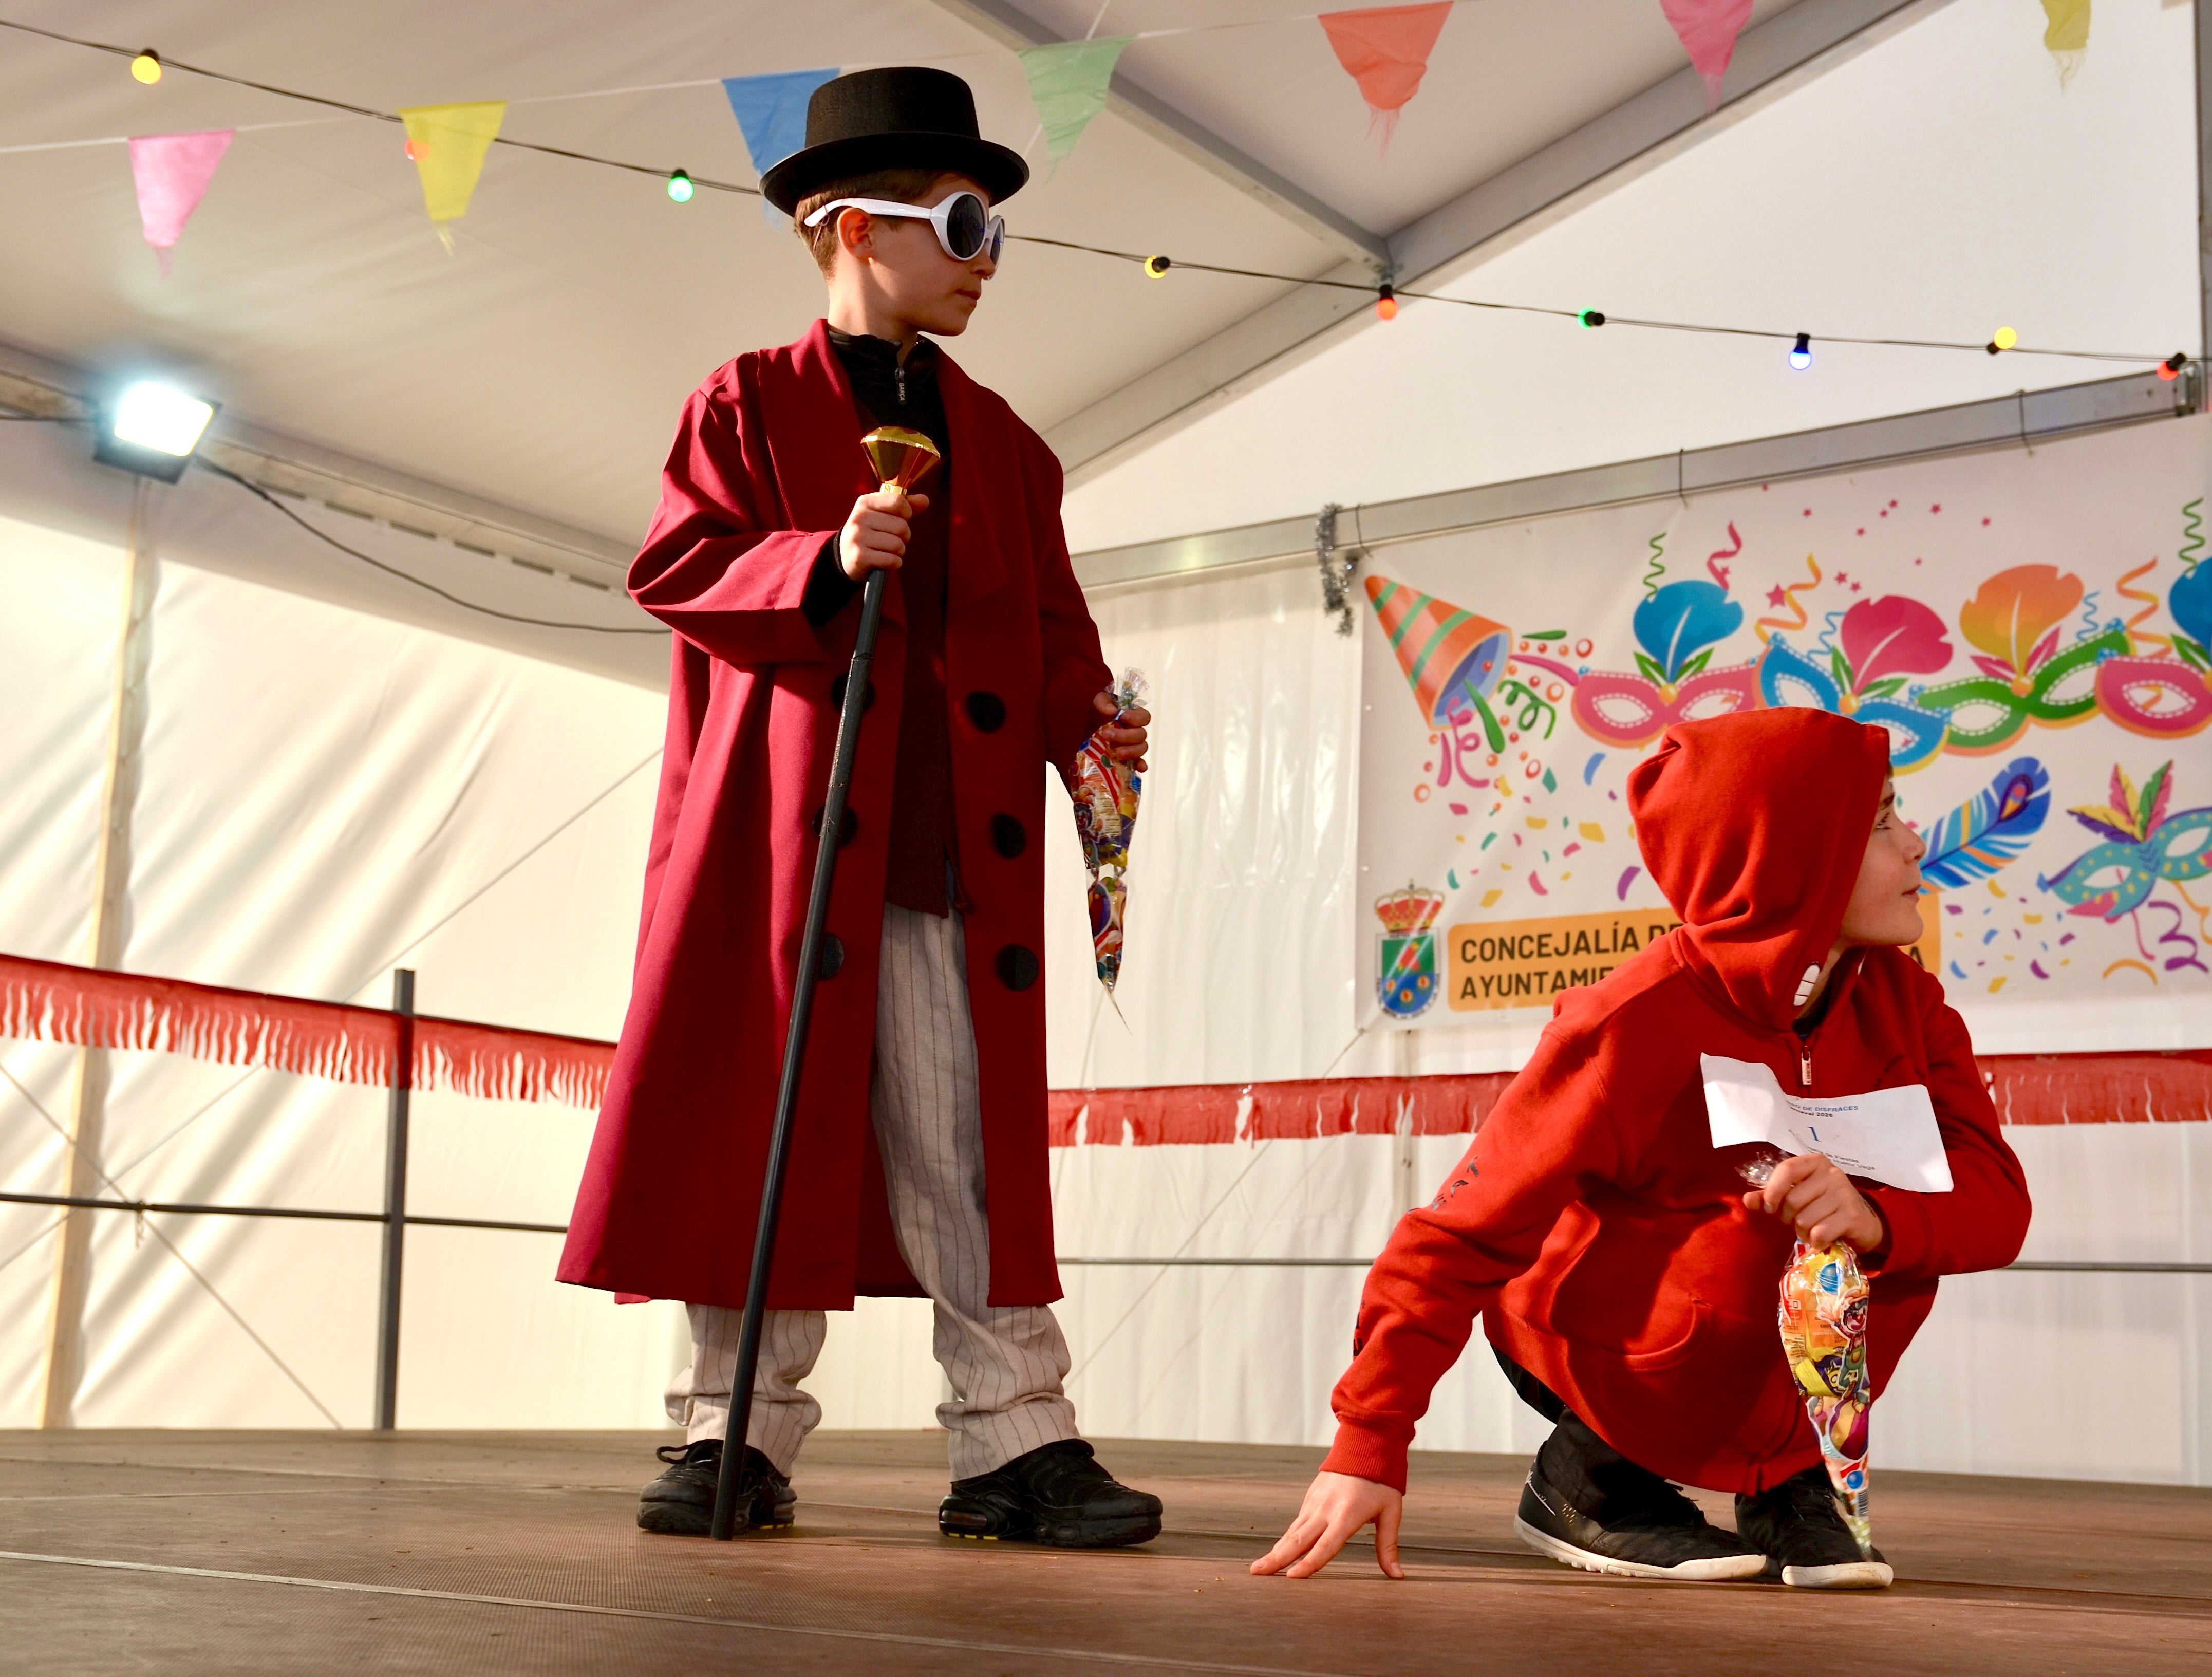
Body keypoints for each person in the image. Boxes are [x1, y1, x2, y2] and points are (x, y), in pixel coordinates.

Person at [557, 67, 1161, 1547]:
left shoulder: (1008, 447)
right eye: (960, 225)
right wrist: (821, 560)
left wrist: (1089, 717)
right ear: (848, 228)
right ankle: (732, 1430)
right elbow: (678, 568)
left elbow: (1054, 639)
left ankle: (1015, 1438)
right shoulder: (745, 404)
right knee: (758, 1132)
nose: (984, 260)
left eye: (995, 230)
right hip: (784, 855)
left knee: (965, 1149)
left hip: (950, 863)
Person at [1253, 708, 2031, 1589]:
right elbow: (1458, 1235)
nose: (1918, 843)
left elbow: (1998, 1204)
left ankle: (1790, 1479)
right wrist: (1369, 1440)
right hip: (1586, 1336)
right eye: (1883, 821)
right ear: (1797, 858)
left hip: (1754, 1360)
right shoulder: (1629, 1024)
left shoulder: (1909, 1005)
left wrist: (1878, 1219)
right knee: (1747, 1240)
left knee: (1874, 1246)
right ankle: (1592, 1477)